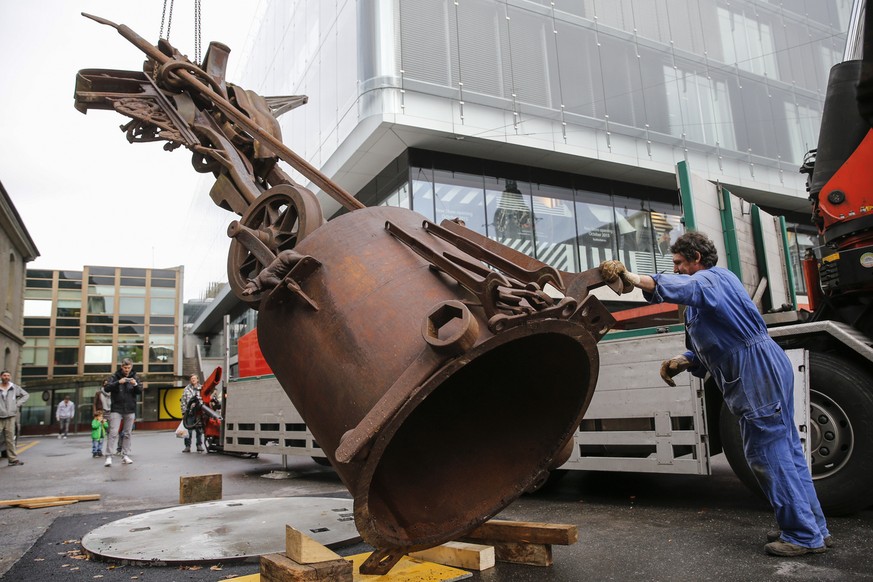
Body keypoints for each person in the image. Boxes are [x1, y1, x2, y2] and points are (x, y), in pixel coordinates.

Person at [598, 232, 831, 557]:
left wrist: (634, 278)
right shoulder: (706, 296)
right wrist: (683, 360)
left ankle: (802, 534)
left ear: (696, 257)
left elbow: (688, 288)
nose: (676, 269)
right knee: (786, 450)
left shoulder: (713, 279)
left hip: (756, 371)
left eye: (679, 262)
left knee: (768, 454)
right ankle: (813, 528)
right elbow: (717, 340)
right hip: (760, 367)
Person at [104, 358, 144, 467]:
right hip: (116, 409)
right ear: (121, 367)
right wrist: (118, 382)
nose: (127, 370)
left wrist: (135, 384)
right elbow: (106, 388)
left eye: (129, 368)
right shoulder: (114, 376)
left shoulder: (135, 376)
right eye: (125, 367)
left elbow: (140, 391)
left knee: (127, 433)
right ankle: (108, 456)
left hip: (130, 409)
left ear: (131, 367)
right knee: (113, 432)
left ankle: (125, 455)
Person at [0, 370, 29, 466]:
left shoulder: (14, 387)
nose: (6, 377)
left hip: (10, 417)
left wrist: (17, 404)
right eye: (4, 375)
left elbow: (26, 395)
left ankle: (12, 459)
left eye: (8, 375)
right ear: (1, 377)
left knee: (10, 439)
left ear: (10, 377)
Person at [180, 374, 204, 453]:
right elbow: (183, 401)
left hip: (198, 413)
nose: (193, 380)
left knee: (199, 430)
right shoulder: (186, 389)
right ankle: (187, 446)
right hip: (189, 413)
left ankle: (199, 445)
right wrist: (184, 412)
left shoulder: (202, 388)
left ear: (197, 380)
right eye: (192, 378)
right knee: (188, 430)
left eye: (194, 378)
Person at [93, 377, 113, 456]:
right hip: (101, 413)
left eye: (107, 384)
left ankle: (108, 450)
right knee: (100, 432)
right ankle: (98, 450)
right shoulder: (98, 393)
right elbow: (94, 403)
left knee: (109, 433)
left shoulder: (112, 393)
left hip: (110, 413)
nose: (106, 385)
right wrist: (95, 413)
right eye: (105, 383)